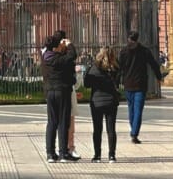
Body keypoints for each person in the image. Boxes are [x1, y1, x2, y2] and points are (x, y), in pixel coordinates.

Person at [117, 30, 166, 144]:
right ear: (137, 39)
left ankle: (133, 131)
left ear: (128, 38)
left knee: (131, 109)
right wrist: (159, 77)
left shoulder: (123, 51)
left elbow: (119, 69)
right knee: (138, 110)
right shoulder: (144, 51)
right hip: (140, 84)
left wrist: (116, 83)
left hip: (128, 84)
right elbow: (154, 64)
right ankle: (134, 133)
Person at [41, 31, 80, 163]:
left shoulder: (45, 57)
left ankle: (50, 153)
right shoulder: (61, 59)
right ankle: (63, 153)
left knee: (52, 122)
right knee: (63, 122)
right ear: (57, 46)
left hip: (50, 91)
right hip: (62, 91)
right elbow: (72, 56)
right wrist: (69, 45)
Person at [84, 45, 121, 163]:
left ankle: (97, 155)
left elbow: (86, 84)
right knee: (111, 129)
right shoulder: (115, 68)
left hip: (97, 101)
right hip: (111, 101)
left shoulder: (94, 68)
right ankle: (112, 155)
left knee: (97, 129)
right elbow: (118, 83)